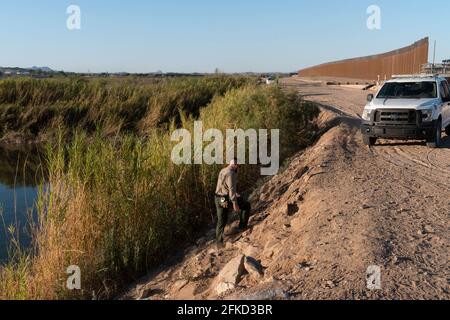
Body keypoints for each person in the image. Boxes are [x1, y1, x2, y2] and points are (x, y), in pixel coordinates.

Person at [214, 159, 251, 249]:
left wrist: (235, 194)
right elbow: (231, 189)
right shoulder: (231, 173)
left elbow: (224, 185)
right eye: (238, 166)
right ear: (235, 165)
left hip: (218, 198)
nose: (238, 169)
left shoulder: (223, 170)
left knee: (221, 219)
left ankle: (219, 243)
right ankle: (242, 227)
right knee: (246, 206)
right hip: (224, 198)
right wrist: (235, 203)